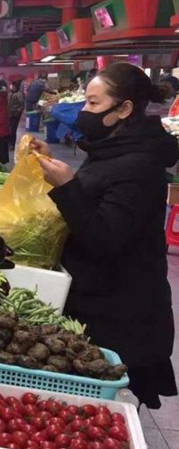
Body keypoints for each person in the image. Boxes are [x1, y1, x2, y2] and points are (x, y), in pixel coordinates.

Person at [31, 63, 179, 409]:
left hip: (121, 314)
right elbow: (98, 193)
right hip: (98, 298)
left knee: (105, 409)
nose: (84, 111)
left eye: (94, 103)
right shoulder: (113, 148)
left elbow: (105, 238)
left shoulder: (141, 164)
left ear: (124, 109)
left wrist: (66, 187)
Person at [7, 80, 24, 147]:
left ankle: (12, 144)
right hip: (9, 113)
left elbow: (21, 104)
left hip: (15, 114)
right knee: (9, 128)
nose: (11, 86)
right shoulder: (10, 93)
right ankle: (9, 143)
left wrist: (18, 112)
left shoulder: (19, 94)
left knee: (13, 129)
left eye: (12, 85)